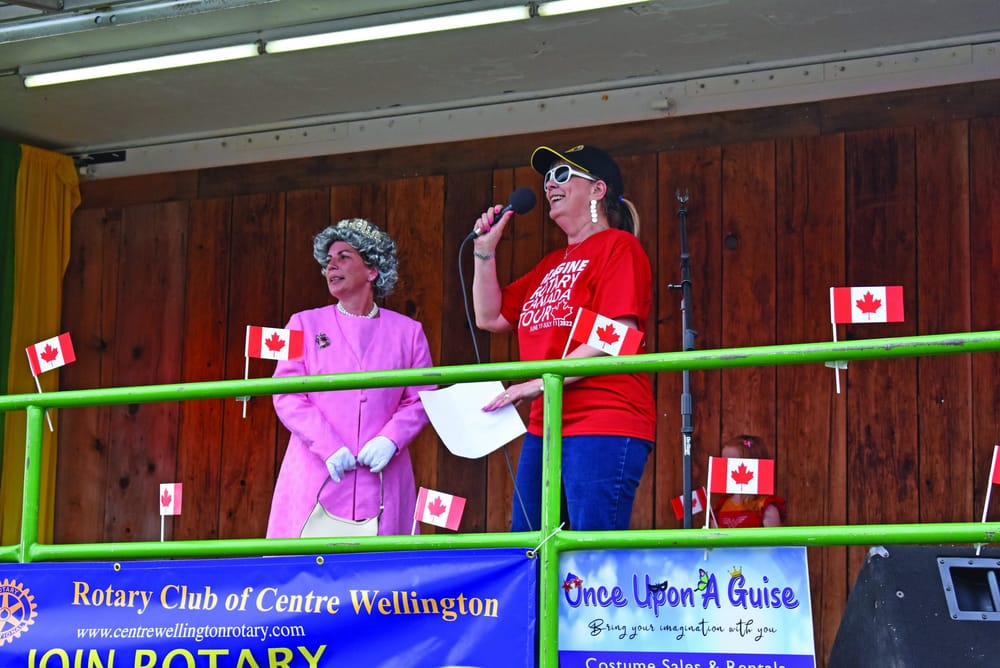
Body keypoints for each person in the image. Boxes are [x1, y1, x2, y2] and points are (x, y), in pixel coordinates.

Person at [471, 143, 656, 532]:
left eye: (561, 175)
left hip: (603, 418)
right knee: (530, 550)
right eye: (546, 179)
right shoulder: (551, 264)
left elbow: (617, 334)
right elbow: (489, 316)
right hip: (547, 423)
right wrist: (483, 253)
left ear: (597, 190)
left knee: (591, 557)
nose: (549, 185)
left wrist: (540, 382)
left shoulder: (620, 247)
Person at [267, 218, 434, 537]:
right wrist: (327, 446)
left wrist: (391, 439)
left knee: (380, 578)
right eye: (328, 260)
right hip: (316, 473)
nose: (332, 265)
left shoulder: (409, 333)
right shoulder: (302, 324)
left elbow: (422, 397)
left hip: (382, 479)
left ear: (372, 270)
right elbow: (286, 395)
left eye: (343, 256)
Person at [711, 435, 785, 528]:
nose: (725, 468)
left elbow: (774, 540)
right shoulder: (721, 506)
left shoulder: (765, 507)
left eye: (731, 464)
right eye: (723, 463)